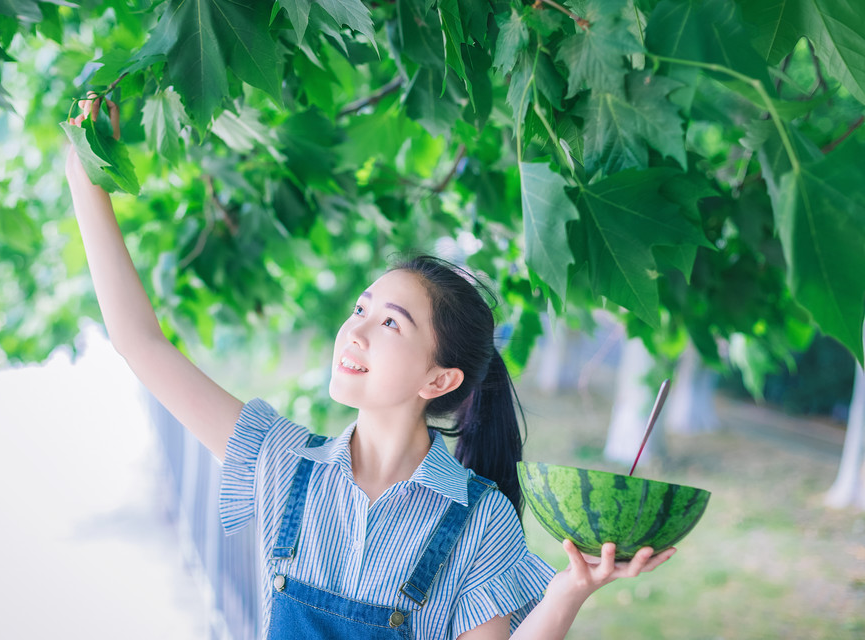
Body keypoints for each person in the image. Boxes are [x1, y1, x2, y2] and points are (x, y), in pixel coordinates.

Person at [65, 96, 675, 640]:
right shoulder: (283, 465)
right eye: (360, 309)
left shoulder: (476, 515)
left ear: (439, 380)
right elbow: (139, 342)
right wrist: (85, 178)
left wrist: (570, 590)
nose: (352, 331)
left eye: (390, 323)